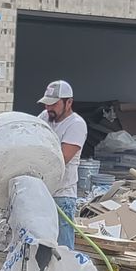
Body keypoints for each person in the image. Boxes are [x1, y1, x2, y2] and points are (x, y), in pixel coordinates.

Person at [37, 80, 87, 248]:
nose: (48, 108)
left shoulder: (76, 125)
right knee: (41, 244)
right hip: (43, 191)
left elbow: (62, 159)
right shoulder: (45, 117)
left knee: (63, 248)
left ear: (69, 102)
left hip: (62, 195)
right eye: (46, 104)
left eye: (54, 104)